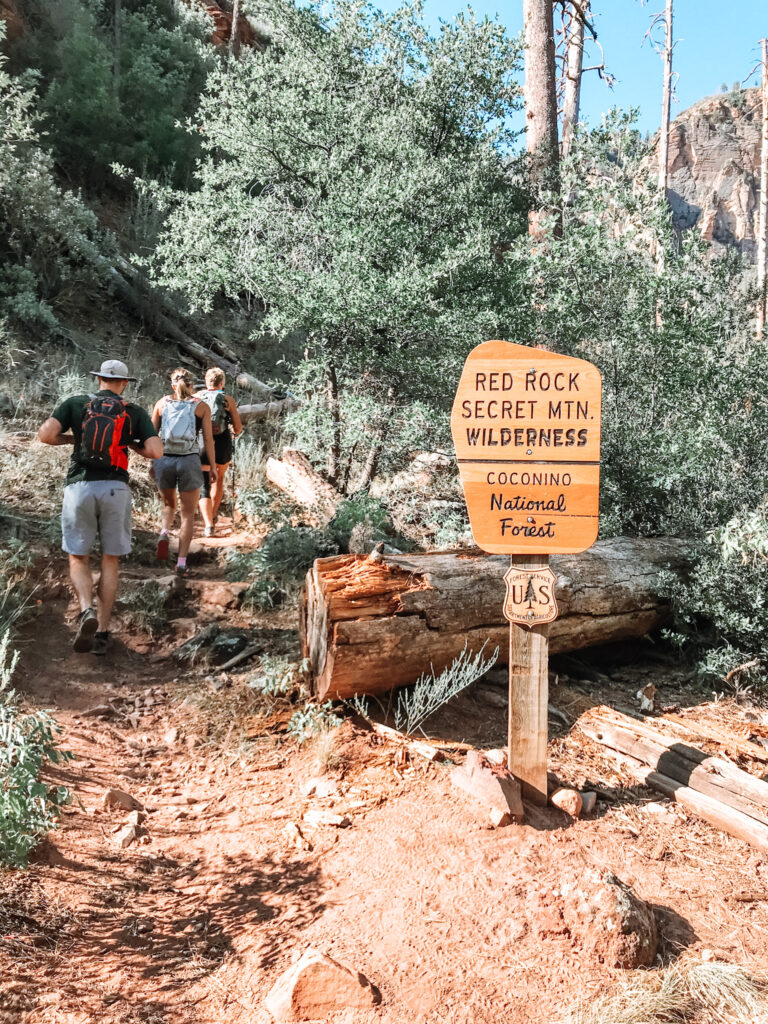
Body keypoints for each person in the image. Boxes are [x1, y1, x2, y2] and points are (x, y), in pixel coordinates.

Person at [38, 359, 162, 655]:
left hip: (79, 487)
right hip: (115, 489)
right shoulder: (133, 411)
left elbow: (45, 435)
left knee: (78, 557)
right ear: (124, 383)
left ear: (99, 380)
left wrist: (72, 439)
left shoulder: (76, 403)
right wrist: (131, 445)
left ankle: (85, 610)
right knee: (110, 560)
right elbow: (156, 450)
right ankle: (103, 632)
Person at [151, 368, 217, 575]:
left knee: (169, 503)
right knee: (188, 515)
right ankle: (180, 563)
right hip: (189, 461)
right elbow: (208, 440)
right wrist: (213, 466)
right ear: (192, 386)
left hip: (164, 460)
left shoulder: (161, 404)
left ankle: (163, 531)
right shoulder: (201, 406)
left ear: (172, 385)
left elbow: (152, 436)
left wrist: (152, 463)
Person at [194, 367, 243, 537]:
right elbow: (238, 428)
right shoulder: (228, 400)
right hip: (222, 443)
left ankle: (207, 525)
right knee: (218, 479)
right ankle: (213, 516)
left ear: (207, 381)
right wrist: (233, 432)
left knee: (204, 484)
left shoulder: (196, 398)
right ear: (222, 383)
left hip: (202, 443)